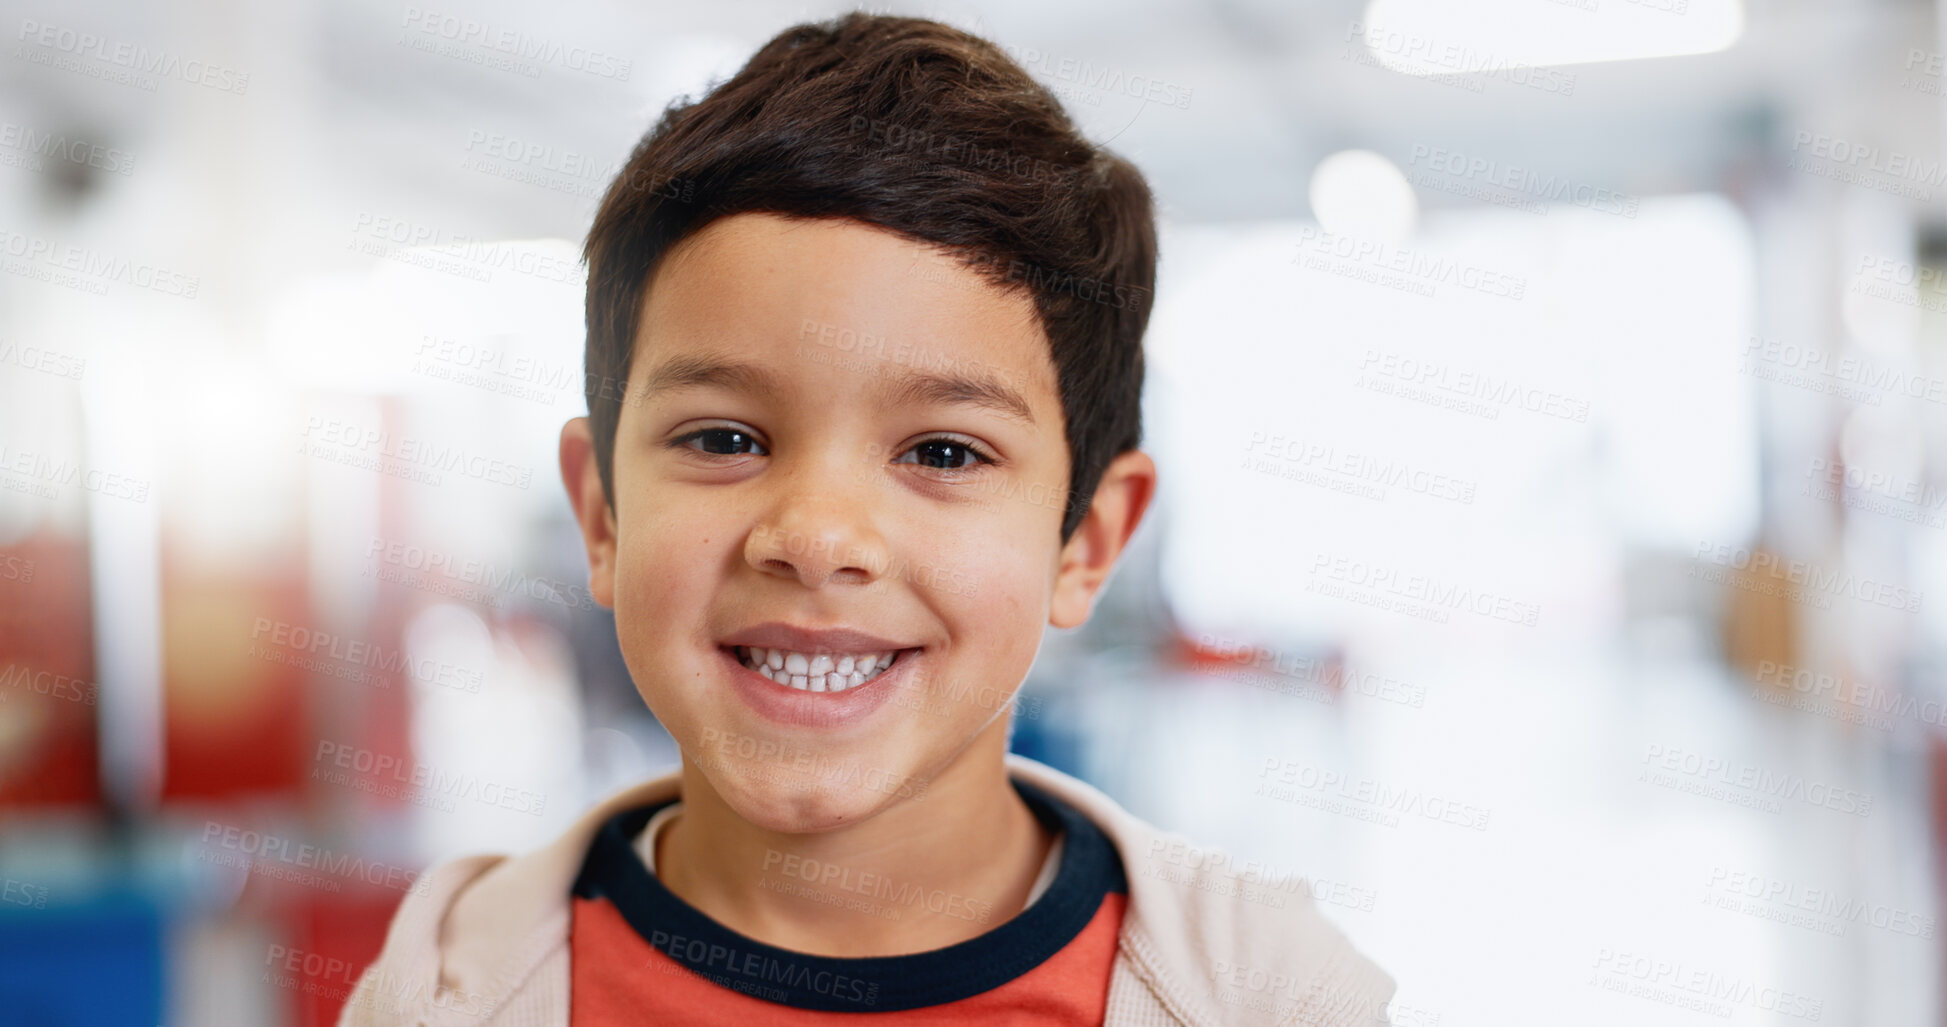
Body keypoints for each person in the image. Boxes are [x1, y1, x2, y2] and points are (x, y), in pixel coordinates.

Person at [341, 11, 1393, 1025]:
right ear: (601, 513)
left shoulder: (1268, 998)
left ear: (1088, 542)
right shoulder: (448, 995)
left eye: (942, 452)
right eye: (724, 439)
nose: (817, 536)